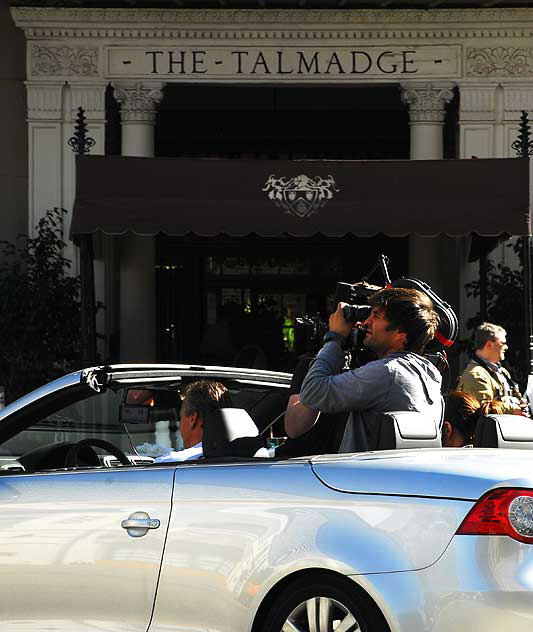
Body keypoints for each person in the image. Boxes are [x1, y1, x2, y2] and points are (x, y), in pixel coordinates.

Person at [291, 287, 443, 453]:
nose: (364, 323)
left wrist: (335, 338)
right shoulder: (430, 375)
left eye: (376, 316)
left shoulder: (388, 372)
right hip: (394, 476)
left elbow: (313, 393)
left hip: (362, 477)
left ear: (400, 332)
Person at [458, 322, 527, 415]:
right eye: (503, 343)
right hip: (492, 429)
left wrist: (521, 404)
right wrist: (513, 408)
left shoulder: (502, 372)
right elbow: (482, 410)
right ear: (489, 345)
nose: (506, 347)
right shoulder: (476, 374)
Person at [155, 380, 228, 462]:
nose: (180, 425)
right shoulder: (242, 458)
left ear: (193, 418)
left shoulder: (170, 463)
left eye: (181, 417)